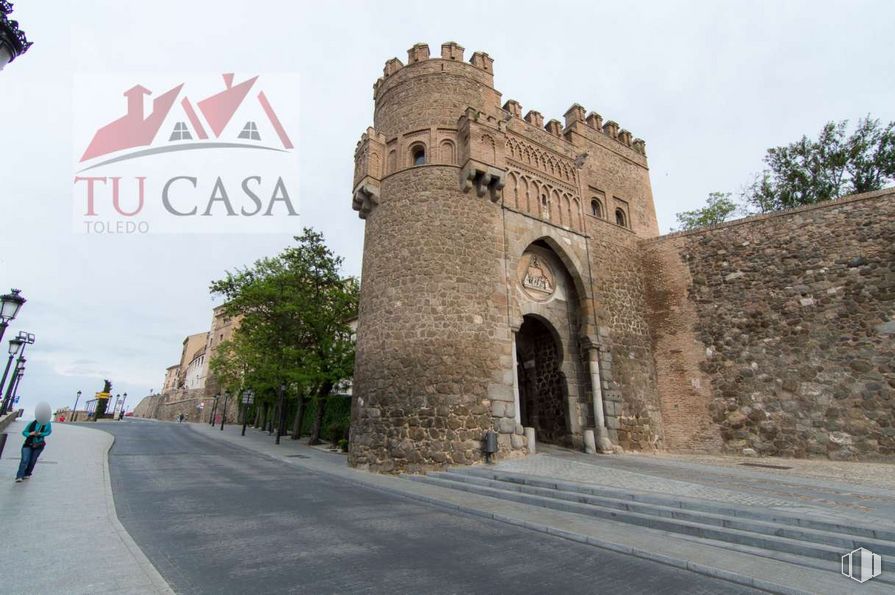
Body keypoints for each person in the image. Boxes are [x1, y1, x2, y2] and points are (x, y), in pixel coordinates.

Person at [16, 402, 52, 482]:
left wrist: (41, 433)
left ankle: (27, 473)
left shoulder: (47, 424)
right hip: (28, 444)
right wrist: (30, 434)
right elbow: (24, 432)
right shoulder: (32, 423)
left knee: (32, 460)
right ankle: (19, 476)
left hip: (39, 445)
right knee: (24, 460)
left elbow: (49, 432)